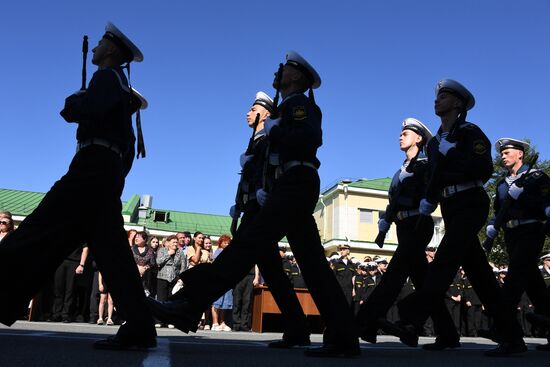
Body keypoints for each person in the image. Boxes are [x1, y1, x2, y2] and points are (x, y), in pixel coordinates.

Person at [147, 51, 360, 358]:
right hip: (290, 184)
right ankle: (337, 335)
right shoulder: (286, 108)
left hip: (296, 181)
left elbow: (309, 137)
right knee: (311, 263)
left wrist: (275, 129)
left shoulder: (299, 104)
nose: (279, 70)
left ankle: (188, 305)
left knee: (246, 247)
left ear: (297, 77)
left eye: (286, 68)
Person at [0, 22, 156, 350]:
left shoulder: (106, 77)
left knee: (36, 229)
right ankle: (140, 325)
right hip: (104, 173)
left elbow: (87, 109)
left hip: (90, 170)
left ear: (111, 51)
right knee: (111, 251)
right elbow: (126, 151)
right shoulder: (119, 86)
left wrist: (75, 104)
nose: (96, 47)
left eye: (101, 43)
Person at [383, 79, 525, 356]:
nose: (438, 100)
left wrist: (457, 155)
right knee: (480, 273)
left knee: (445, 258)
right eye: (438, 97)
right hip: (449, 205)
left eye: (445, 96)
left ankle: (411, 317)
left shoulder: (469, 133)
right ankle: (511, 335)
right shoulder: (435, 143)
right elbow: (435, 178)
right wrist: (430, 198)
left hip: (471, 201)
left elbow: (483, 169)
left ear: (458, 104)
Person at [357, 118, 459, 349]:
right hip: (403, 226)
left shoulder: (426, 164)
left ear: (419, 138)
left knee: (394, 273)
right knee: (423, 280)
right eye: (401, 133)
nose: (400, 136)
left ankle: (364, 323)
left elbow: (433, 187)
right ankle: (447, 333)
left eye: (406, 133)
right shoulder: (400, 171)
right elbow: (393, 201)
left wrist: (430, 201)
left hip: (418, 223)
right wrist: (385, 221)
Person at [229, 90, 310, 342]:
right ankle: (297, 325)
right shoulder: (255, 138)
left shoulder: (269, 135)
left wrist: (267, 193)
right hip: (251, 206)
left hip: (262, 208)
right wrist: (238, 203)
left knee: (234, 259)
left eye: (253, 109)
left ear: (265, 113)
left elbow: (273, 170)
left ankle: (186, 305)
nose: (248, 113)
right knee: (272, 271)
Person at [485, 138, 550, 350]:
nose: (503, 156)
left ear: (520, 154)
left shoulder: (536, 177)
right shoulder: (503, 184)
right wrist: (493, 225)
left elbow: (547, 203)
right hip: (511, 234)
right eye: (501, 153)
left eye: (507, 152)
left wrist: (525, 198)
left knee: (513, 279)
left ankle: (506, 333)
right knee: (533, 283)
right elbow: (498, 209)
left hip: (531, 230)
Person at [155, 235, 184, 328]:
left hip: (174, 279)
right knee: (161, 300)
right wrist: (169, 253)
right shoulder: (162, 250)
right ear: (168, 243)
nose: (175, 244)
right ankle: (159, 320)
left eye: (176, 242)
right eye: (173, 242)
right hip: (162, 278)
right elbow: (158, 262)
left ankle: (170, 321)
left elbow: (183, 265)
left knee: (171, 301)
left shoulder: (180, 252)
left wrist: (181, 278)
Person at [211, 235, 233, 331]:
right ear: (220, 243)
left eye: (228, 243)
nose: (227, 244)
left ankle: (222, 322)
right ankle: (215, 323)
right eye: (225, 243)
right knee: (217, 301)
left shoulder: (230, 253)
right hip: (218, 279)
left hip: (227, 280)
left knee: (225, 302)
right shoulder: (218, 251)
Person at [132, 231, 156, 296]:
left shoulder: (150, 251)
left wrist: (145, 268)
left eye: (138, 237)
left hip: (145, 278)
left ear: (144, 239)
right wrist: (137, 267)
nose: (136, 239)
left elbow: (153, 263)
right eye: (135, 237)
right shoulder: (132, 249)